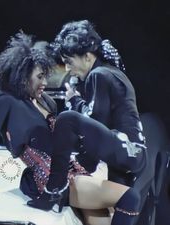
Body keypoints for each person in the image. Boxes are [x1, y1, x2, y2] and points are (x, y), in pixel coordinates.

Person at [27, 20, 149, 225]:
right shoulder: (110, 72)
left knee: (66, 119)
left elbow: (93, 120)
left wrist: (74, 101)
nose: (67, 67)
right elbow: (98, 126)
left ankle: (52, 191)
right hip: (129, 153)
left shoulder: (99, 75)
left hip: (126, 148)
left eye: (69, 61)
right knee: (102, 213)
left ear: (87, 56)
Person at [0, 32, 58, 200]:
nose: (45, 83)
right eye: (40, 77)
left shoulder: (48, 102)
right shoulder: (7, 100)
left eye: (45, 77)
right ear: (24, 76)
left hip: (67, 169)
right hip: (43, 179)